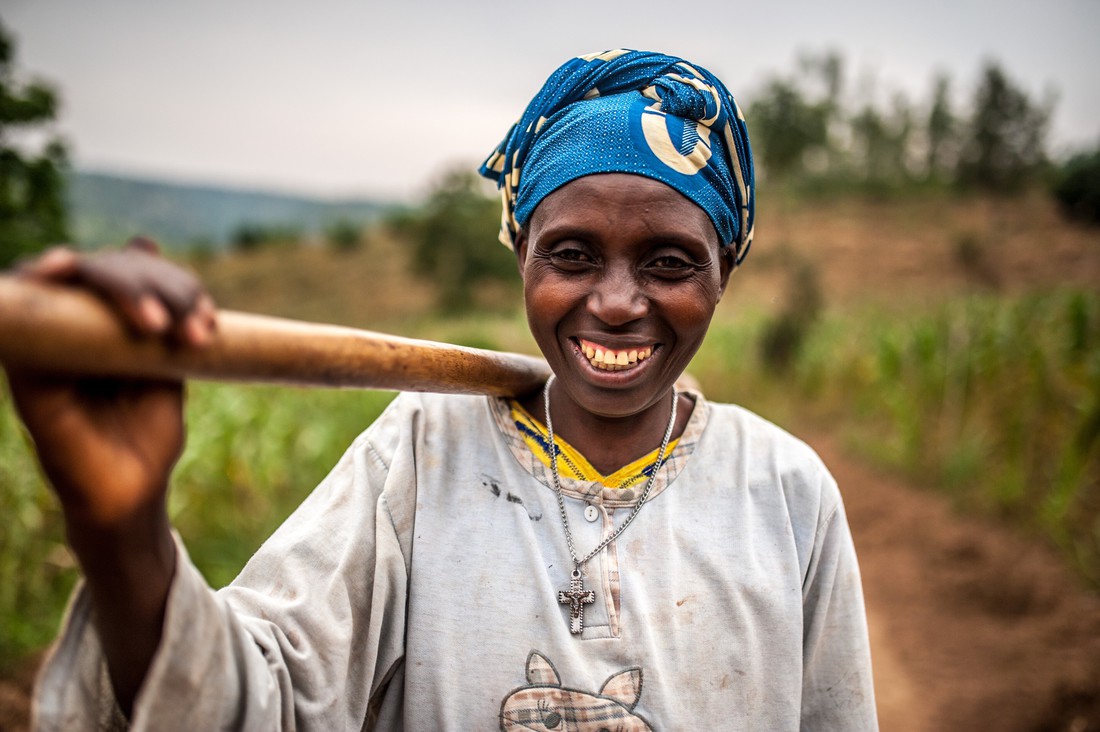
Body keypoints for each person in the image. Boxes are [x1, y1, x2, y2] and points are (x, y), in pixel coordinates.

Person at [10, 50, 877, 730]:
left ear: (725, 268)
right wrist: (121, 532)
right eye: (572, 254)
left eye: (670, 262)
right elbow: (257, 700)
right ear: (522, 255)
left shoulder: (786, 493)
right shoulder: (426, 450)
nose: (616, 303)